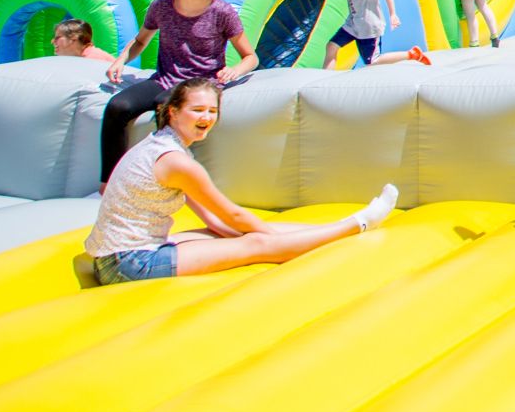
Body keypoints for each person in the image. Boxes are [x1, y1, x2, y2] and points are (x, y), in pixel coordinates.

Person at [80, 78, 396, 286]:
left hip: (117, 256)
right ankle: (358, 224)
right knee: (255, 243)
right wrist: (271, 239)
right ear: (173, 112)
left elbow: (213, 220)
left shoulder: (159, 144)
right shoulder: (175, 161)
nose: (206, 117)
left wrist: (250, 232)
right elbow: (233, 215)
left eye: (212, 110)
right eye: (197, 110)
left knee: (222, 234)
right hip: (129, 264)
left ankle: (325, 233)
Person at [98, 0, 258, 185]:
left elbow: (250, 57)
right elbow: (141, 40)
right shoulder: (162, 6)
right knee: (117, 106)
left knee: (165, 104)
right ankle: (109, 182)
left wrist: (235, 70)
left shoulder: (221, 12)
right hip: (165, 77)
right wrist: (121, 59)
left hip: (200, 84)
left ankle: (163, 179)